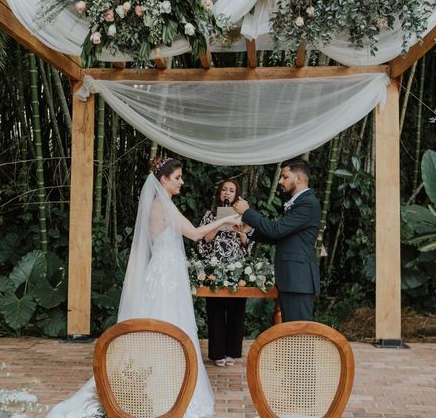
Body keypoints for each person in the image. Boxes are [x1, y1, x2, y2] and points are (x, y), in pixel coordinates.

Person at [48, 156, 239, 418]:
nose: (182, 182)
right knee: (166, 329)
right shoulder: (162, 206)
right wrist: (226, 221)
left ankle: (157, 388)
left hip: (165, 275)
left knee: (168, 330)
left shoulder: (163, 204)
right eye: (177, 178)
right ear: (163, 180)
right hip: (165, 280)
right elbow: (195, 233)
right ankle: (162, 391)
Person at [233, 159, 320, 322]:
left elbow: (277, 230)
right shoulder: (300, 203)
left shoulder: (308, 203)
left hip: (298, 281)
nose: (280, 181)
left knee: (298, 335)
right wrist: (250, 229)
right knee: (291, 333)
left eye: (285, 177)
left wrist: (248, 212)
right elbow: (282, 236)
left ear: (299, 178)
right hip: (292, 280)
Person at [197, 179, 253, 367]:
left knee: (236, 312)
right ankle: (217, 353)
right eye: (224, 190)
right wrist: (219, 223)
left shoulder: (243, 215)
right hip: (216, 268)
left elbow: (248, 245)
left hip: (236, 269)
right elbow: (204, 242)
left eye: (231, 190)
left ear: (236, 195)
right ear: (219, 193)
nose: (227, 193)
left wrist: (241, 232)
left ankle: (232, 352)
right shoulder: (210, 215)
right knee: (216, 311)